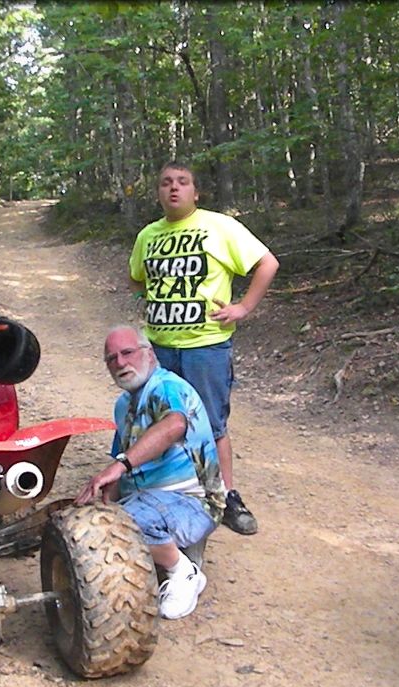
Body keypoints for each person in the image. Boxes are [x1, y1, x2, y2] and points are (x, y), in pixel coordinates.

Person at [129, 160, 279, 535]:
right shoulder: (148, 235)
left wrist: (243, 307)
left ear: (196, 192)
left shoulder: (219, 226)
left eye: (182, 182)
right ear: (158, 192)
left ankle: (225, 496)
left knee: (211, 424)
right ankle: (165, 491)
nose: (173, 188)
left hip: (206, 347)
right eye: (165, 183)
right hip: (159, 348)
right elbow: (136, 278)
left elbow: (267, 263)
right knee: (159, 422)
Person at [75, 325, 225, 620]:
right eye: (111, 358)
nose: (120, 363)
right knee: (98, 523)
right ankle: (163, 553)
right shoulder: (123, 406)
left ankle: (184, 571)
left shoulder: (166, 386)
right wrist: (102, 505)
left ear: (150, 353)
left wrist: (120, 466)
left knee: (123, 524)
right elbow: (121, 465)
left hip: (192, 502)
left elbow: (173, 426)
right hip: (149, 500)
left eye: (128, 353)